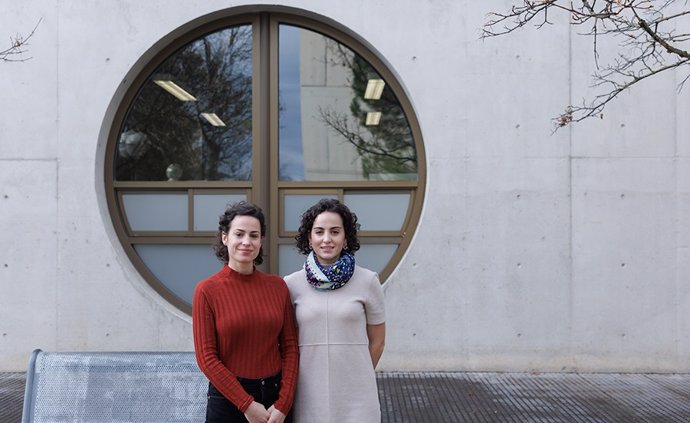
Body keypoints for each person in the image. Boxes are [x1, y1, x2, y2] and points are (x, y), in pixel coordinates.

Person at [193, 201, 298, 423]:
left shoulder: (277, 286)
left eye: (254, 235)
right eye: (239, 234)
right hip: (228, 400)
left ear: (261, 241)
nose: (246, 242)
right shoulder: (207, 290)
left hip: (275, 400)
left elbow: (290, 348)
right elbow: (207, 359)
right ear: (225, 238)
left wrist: (284, 403)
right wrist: (246, 405)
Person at [284, 198, 386, 422]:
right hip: (307, 393)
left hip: (357, 395)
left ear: (346, 237)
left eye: (335, 231)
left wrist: (359, 375)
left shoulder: (368, 281)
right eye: (319, 232)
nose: (327, 239)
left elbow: (377, 342)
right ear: (309, 238)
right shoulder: (291, 285)